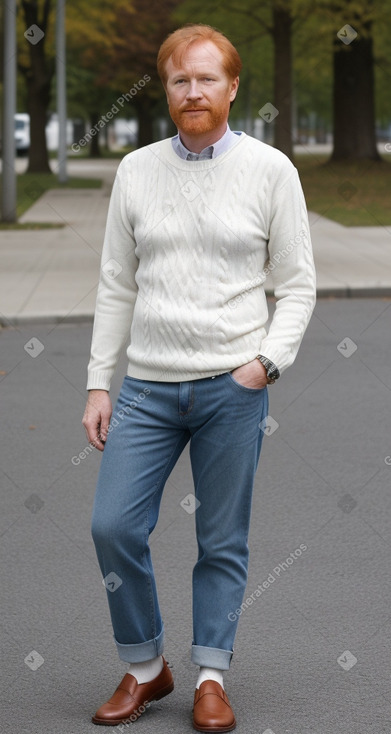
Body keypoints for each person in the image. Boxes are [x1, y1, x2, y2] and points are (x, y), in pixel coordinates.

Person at [82, 23, 316, 732]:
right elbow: (116, 284)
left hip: (230, 389)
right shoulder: (136, 170)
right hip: (148, 390)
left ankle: (211, 675)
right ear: (166, 86)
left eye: (207, 78)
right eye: (181, 78)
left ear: (232, 87)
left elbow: (297, 285)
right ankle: (147, 670)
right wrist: (99, 383)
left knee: (220, 540)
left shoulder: (271, 170)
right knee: (112, 525)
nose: (193, 91)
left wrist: (264, 364)